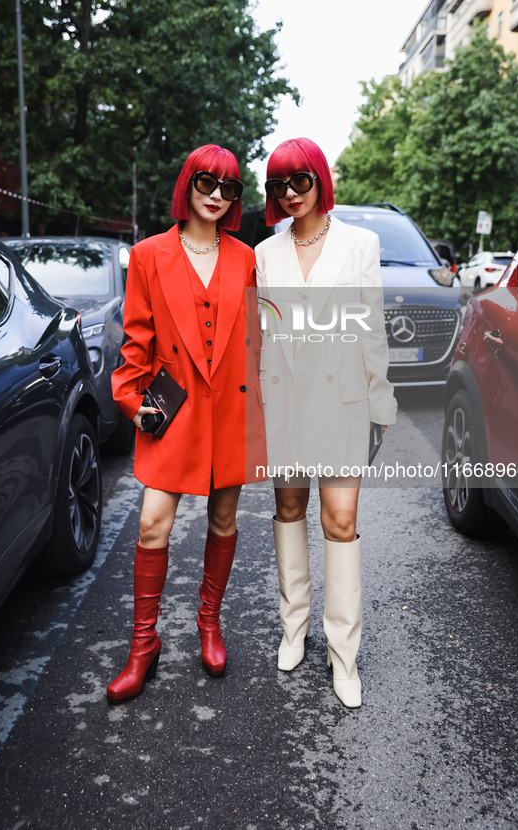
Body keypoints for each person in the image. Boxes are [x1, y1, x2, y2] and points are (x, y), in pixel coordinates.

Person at [108, 144, 265, 702]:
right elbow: (136, 340)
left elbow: (256, 339)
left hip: (229, 408)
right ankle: (143, 645)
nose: (217, 196)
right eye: (206, 184)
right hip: (172, 409)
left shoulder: (246, 257)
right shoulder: (149, 254)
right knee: (153, 523)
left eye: (228, 189)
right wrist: (128, 399)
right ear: (187, 186)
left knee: (224, 520)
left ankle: (209, 621)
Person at [255, 137, 396, 709]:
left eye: (300, 181)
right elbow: (262, 332)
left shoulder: (361, 243)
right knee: (289, 508)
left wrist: (380, 406)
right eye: (278, 186)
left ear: (320, 180)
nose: (290, 194)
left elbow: (372, 330)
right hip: (286, 403)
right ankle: (295, 627)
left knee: (340, 520)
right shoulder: (265, 253)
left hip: (341, 404)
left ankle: (344, 653)